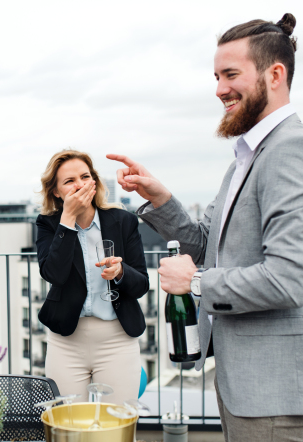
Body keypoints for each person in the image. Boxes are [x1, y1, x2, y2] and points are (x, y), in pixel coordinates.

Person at [109, 13, 303, 441]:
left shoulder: (290, 150)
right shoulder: (249, 156)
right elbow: (204, 241)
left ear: (275, 74)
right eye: (216, 76)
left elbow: (289, 279)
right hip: (244, 386)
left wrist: (195, 283)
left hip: (274, 399)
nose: (219, 89)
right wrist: (158, 197)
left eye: (231, 74)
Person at [35, 149, 149, 404]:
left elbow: (142, 284)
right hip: (67, 342)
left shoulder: (123, 221)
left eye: (85, 176)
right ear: (56, 191)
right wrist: (67, 219)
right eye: (69, 181)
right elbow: (53, 273)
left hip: (116, 339)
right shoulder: (48, 224)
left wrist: (120, 272)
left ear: (94, 181)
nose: (80, 185)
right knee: (67, 425)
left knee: (116, 424)